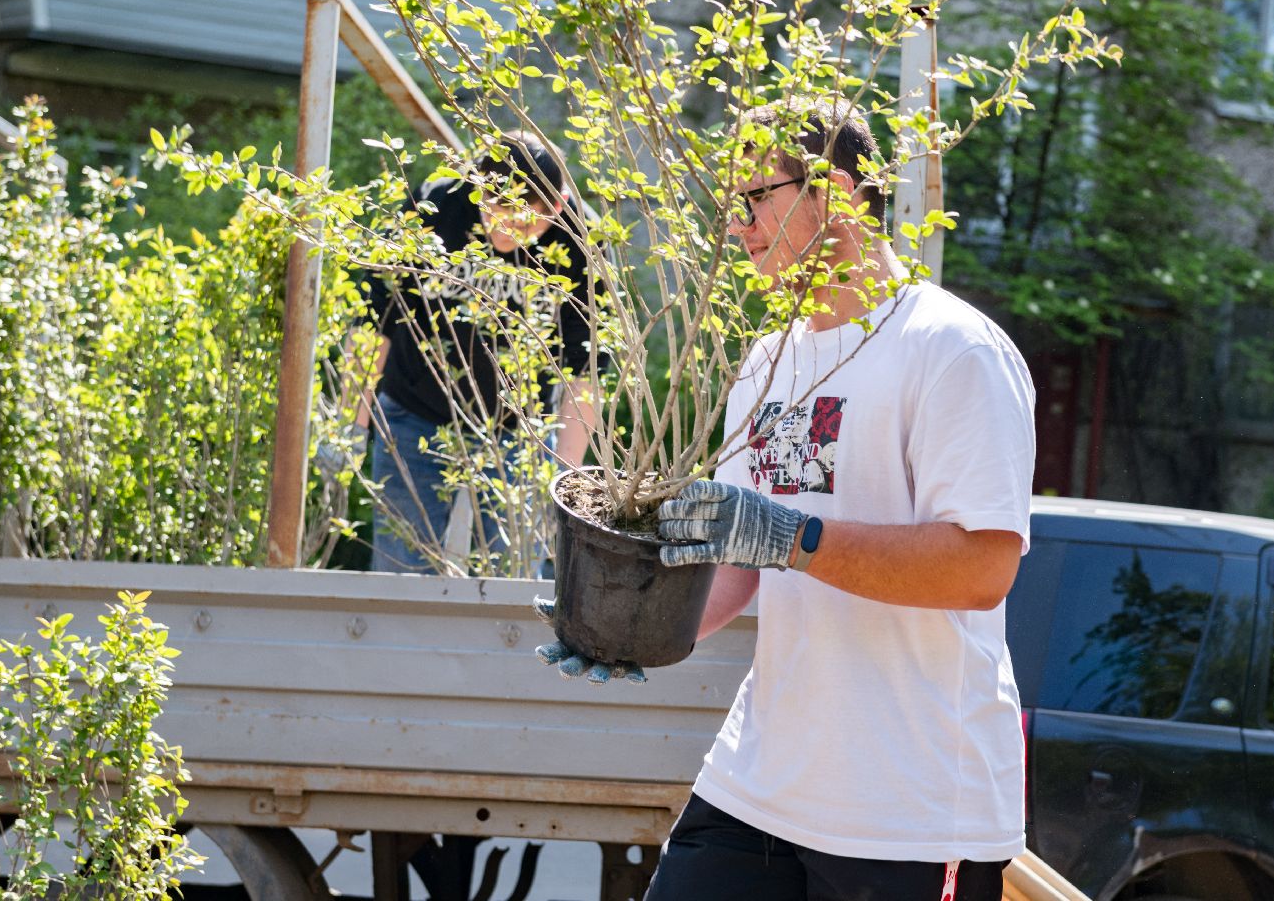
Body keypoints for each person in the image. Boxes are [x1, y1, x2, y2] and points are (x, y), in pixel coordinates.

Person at [538, 100, 1038, 900]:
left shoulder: (952, 349)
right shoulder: (768, 364)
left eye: (754, 199)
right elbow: (736, 565)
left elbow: (981, 569)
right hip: (762, 779)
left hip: (910, 803)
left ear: (835, 194)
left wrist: (791, 536)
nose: (737, 226)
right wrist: (620, 631)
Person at [354, 130, 597, 574]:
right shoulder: (436, 207)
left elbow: (586, 375)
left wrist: (563, 480)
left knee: (518, 577)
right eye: (492, 211)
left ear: (557, 206)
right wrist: (352, 424)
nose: (502, 231)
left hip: (519, 432)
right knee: (401, 574)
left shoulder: (581, 243)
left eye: (523, 221)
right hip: (414, 416)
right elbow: (375, 324)